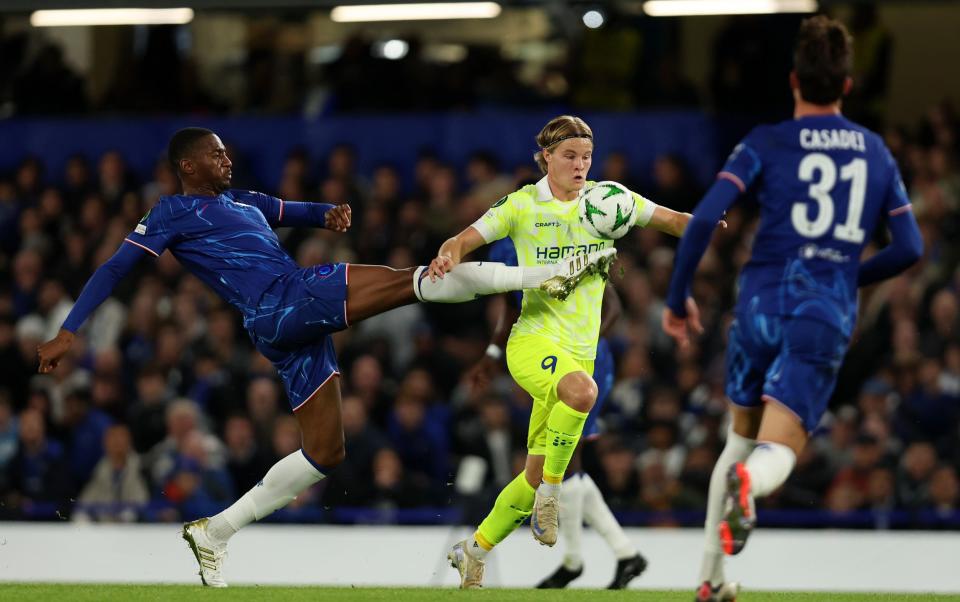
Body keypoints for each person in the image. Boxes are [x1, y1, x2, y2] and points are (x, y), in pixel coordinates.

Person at [35, 127, 614, 588]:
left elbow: (290, 209)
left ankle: (216, 531)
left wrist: (328, 213)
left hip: (287, 324)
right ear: (188, 165)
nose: (226, 160)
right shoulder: (169, 213)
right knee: (409, 281)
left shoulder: (239, 200)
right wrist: (69, 331)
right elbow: (115, 267)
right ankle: (545, 275)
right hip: (280, 301)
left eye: (226, 153)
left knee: (326, 452)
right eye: (215, 155)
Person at [660, 17, 923, 602]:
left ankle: (710, 578)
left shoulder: (765, 141)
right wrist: (849, 275)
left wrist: (678, 298)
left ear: (793, 81)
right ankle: (751, 488)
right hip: (820, 310)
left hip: (756, 305)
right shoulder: (875, 152)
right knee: (777, 448)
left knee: (738, 437)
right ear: (848, 86)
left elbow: (704, 218)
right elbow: (910, 247)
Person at [432, 115, 692, 589]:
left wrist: (710, 225)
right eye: (570, 156)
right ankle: (553, 496)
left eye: (587, 157)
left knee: (529, 473)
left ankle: (474, 551)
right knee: (581, 394)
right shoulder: (521, 205)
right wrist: (449, 252)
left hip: (579, 352)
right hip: (532, 344)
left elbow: (675, 221)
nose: (580, 165)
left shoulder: (608, 201)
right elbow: (465, 238)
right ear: (546, 156)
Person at [468, 235, 648, 589]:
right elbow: (511, 306)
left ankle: (576, 560)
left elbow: (612, 305)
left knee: (568, 461)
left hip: (585, 364)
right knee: (564, 462)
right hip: (547, 358)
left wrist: (585, 344)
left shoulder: (566, 241)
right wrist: (492, 352)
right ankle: (619, 554)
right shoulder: (507, 249)